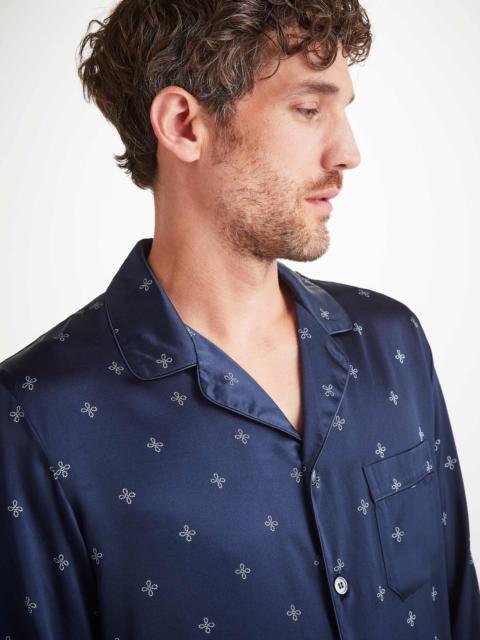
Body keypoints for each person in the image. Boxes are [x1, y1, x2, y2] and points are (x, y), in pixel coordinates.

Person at [1, 0, 479, 637]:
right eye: (308, 109)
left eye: (344, 110)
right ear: (184, 125)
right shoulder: (35, 417)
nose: (349, 152)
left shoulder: (392, 342)